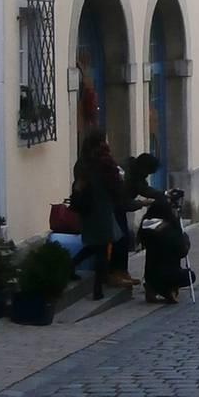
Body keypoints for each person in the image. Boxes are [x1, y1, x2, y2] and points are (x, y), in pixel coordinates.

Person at [72, 129, 135, 300]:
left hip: (87, 209)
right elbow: (114, 185)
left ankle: (71, 267)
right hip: (102, 208)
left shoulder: (81, 163)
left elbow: (78, 184)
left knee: (96, 245)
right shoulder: (104, 162)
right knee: (101, 247)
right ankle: (97, 288)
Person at [125, 153, 186, 304]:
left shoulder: (136, 173)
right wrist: (144, 203)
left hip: (152, 239)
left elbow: (145, 189)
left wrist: (163, 194)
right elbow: (126, 198)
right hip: (120, 207)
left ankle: (150, 287)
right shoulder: (130, 176)